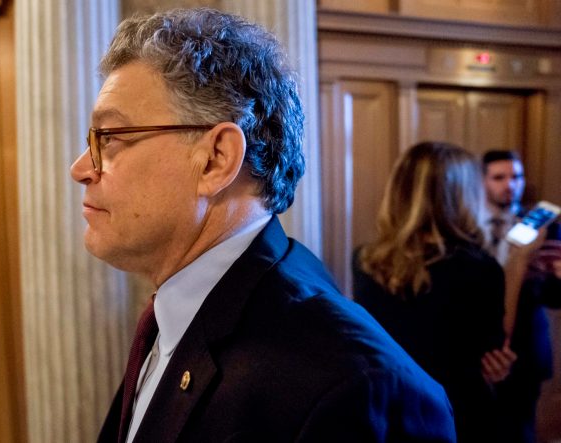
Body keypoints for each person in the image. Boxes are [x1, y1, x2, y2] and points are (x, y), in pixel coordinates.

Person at [70, 8, 454, 442]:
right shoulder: (172, 311)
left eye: (111, 138)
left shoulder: (356, 383)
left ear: (216, 160)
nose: (81, 168)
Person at [352, 142, 513, 442]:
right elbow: (493, 353)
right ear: (462, 196)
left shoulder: (364, 260)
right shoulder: (480, 268)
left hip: (389, 409)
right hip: (457, 412)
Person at [483, 149, 561, 443]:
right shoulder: (467, 226)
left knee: (520, 430)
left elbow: (554, 299)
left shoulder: (544, 228)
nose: (510, 184)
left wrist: (552, 276)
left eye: (516, 176)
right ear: (482, 181)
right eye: (499, 177)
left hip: (526, 347)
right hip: (479, 348)